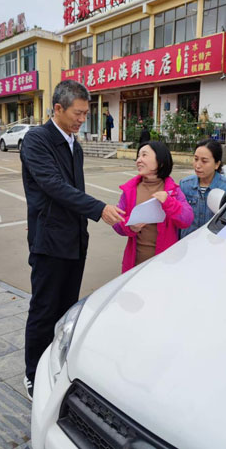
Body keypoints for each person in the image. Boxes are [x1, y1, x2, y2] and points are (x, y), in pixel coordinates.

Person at [20, 80, 125, 400]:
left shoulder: (74, 145)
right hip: (49, 240)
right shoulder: (37, 140)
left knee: (67, 310)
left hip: (74, 239)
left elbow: (75, 192)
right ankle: (33, 375)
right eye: (77, 113)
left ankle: (56, 365)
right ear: (58, 108)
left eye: (85, 114)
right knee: (44, 309)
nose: (82, 119)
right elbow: (54, 186)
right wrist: (99, 209)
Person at [113, 141, 193, 273]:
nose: (139, 160)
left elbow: (187, 219)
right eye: (138, 156)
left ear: (160, 162)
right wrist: (130, 227)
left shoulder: (173, 191)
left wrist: (169, 202)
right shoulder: (130, 190)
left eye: (144, 155)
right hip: (134, 265)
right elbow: (117, 223)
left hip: (164, 265)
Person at [179, 139, 226, 238]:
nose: (197, 165)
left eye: (204, 161)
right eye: (196, 159)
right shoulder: (185, 185)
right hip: (187, 242)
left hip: (213, 243)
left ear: (217, 164)